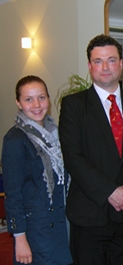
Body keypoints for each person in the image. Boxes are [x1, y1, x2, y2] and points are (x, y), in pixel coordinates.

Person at [59, 34, 123, 265]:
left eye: (111, 60)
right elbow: (73, 157)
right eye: (98, 61)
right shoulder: (73, 105)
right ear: (89, 66)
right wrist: (110, 190)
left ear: (121, 64)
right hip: (89, 217)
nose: (105, 67)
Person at [2, 75, 72, 265]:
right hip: (35, 232)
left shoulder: (56, 135)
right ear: (18, 103)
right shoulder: (15, 140)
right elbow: (13, 194)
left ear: (48, 99)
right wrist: (20, 238)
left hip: (60, 227)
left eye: (41, 97)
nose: (36, 105)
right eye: (28, 99)